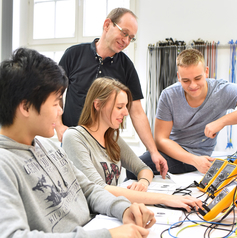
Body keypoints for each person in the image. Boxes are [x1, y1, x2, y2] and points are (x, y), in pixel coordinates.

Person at [0, 47, 157, 238]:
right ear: (25, 106)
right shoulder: (4, 164)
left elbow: (89, 189)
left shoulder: (49, 148)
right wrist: (109, 235)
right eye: (56, 102)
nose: (60, 111)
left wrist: (124, 209)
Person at [57, 7, 168, 178]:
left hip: (104, 144)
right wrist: (58, 126)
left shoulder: (126, 66)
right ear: (107, 24)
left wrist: (153, 151)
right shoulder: (74, 55)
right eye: (124, 33)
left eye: (131, 38)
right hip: (72, 141)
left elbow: (137, 112)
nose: (126, 41)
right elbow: (55, 95)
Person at [62, 77, 202, 211]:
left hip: (111, 209)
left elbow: (143, 168)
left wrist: (143, 183)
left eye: (125, 106)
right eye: (119, 107)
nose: (126, 113)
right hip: (91, 217)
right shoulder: (74, 137)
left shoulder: (112, 138)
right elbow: (99, 189)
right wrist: (164, 198)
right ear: (97, 105)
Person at [134, 48, 237, 176]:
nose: (193, 85)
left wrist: (222, 121)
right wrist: (194, 161)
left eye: (198, 78)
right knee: (133, 168)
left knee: (137, 169)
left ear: (206, 72)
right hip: (173, 152)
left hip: (200, 155)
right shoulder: (168, 95)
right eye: (186, 80)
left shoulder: (223, 90)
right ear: (178, 77)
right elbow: (160, 140)